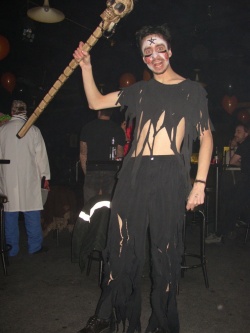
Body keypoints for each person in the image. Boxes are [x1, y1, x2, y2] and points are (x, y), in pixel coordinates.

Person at [73, 23, 213, 333]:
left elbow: (206, 138)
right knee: (121, 249)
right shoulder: (138, 91)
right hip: (133, 174)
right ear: (144, 58)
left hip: (169, 176)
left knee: (164, 253)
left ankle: (161, 324)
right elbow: (95, 102)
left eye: (158, 48)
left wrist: (199, 183)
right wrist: (86, 66)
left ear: (169, 50)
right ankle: (107, 315)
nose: (154, 55)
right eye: (147, 52)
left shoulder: (192, 90)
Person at [0, 100, 50, 256]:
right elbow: (41, 157)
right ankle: (34, 246)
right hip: (29, 177)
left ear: (12, 111)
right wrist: (45, 177)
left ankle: (11, 248)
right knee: (32, 210)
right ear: (26, 112)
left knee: (10, 211)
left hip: (8, 177)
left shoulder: (2, 130)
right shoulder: (33, 130)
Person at [80, 108, 126, 204]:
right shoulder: (117, 129)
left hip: (92, 169)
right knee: (109, 204)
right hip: (111, 170)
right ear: (110, 114)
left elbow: (83, 153)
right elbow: (120, 153)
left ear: (99, 112)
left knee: (90, 205)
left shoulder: (87, 128)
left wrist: (87, 172)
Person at [219, 124, 250, 241]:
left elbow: (231, 161)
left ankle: (222, 233)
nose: (235, 134)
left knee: (232, 203)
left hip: (247, 179)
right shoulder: (247, 144)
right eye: (235, 131)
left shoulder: (245, 144)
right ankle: (236, 225)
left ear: (246, 134)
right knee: (238, 201)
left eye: (239, 132)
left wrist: (232, 146)